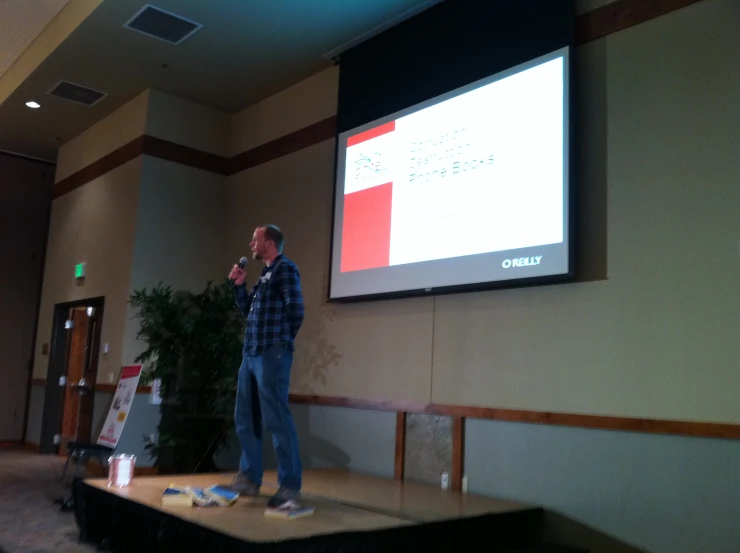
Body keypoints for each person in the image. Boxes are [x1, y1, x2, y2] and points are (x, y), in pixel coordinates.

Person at [225, 224, 305, 510]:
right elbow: (249, 310)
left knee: (276, 418)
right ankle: (249, 477)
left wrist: (281, 343)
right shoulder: (263, 275)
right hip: (250, 353)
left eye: (255, 239)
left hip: (271, 353)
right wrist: (239, 285)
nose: (251, 244)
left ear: (270, 242)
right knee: (245, 417)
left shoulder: (286, 269)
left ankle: (290, 485)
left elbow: (296, 310)